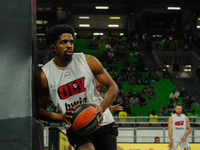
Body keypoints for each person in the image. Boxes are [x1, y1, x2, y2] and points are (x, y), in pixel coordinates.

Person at [37, 24, 119, 150]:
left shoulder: (88, 61)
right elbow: (40, 110)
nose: (69, 45)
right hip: (75, 124)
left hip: (102, 120)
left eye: (71, 42)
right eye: (64, 42)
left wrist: (101, 108)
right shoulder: (45, 76)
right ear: (53, 47)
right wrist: (62, 117)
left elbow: (113, 87)